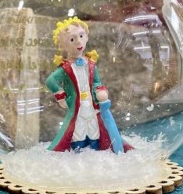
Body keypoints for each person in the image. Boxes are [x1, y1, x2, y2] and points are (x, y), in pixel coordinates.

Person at [45, 16, 128, 153]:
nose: (78, 41)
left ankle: (94, 152)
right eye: (72, 39)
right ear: (62, 45)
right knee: (78, 131)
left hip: (91, 106)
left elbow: (96, 81)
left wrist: (99, 91)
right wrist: (60, 95)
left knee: (94, 130)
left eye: (81, 36)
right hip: (77, 108)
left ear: (86, 37)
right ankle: (78, 154)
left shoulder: (91, 64)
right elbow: (50, 81)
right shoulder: (65, 68)